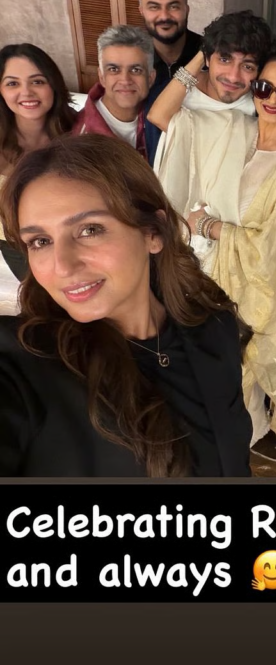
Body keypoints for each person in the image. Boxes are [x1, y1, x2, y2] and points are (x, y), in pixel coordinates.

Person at [0, 133, 252, 477]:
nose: (62, 266)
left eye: (90, 230)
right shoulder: (24, 364)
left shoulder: (213, 327)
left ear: (153, 233)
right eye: (40, 241)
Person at [156, 48, 276, 476]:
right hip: (203, 288)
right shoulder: (236, 130)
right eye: (264, 86)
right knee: (195, 395)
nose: (273, 98)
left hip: (248, 305)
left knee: (234, 401)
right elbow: (163, 117)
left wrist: (211, 227)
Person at [147, 10, 276, 155]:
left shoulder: (263, 98)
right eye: (224, 59)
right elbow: (156, 117)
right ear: (207, 58)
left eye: (248, 66)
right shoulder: (175, 95)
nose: (233, 77)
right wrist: (204, 52)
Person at [0, 43, 77, 281]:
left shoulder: (79, 129)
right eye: (12, 83)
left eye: (37, 81)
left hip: (74, 236)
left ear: (53, 84)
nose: (27, 92)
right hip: (17, 244)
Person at [133, 0, 204, 163]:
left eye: (173, 6)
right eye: (154, 7)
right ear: (141, 11)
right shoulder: (133, 59)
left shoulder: (209, 55)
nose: (164, 16)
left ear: (186, 9)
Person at [72, 25, 155, 159]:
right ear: (101, 77)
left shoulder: (160, 117)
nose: (125, 80)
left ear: (150, 78)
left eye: (136, 70)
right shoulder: (80, 139)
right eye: (114, 69)